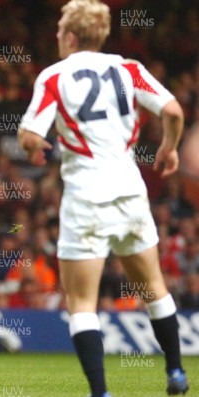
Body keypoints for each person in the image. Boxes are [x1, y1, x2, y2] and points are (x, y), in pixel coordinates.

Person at [17, 1, 187, 396]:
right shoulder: (129, 69)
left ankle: (100, 392)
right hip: (130, 192)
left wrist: (32, 148)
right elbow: (174, 112)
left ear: (72, 37)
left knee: (81, 302)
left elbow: (29, 134)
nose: (57, 36)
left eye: (60, 31)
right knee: (153, 288)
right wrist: (169, 148)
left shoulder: (55, 77)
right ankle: (176, 373)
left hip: (86, 197)